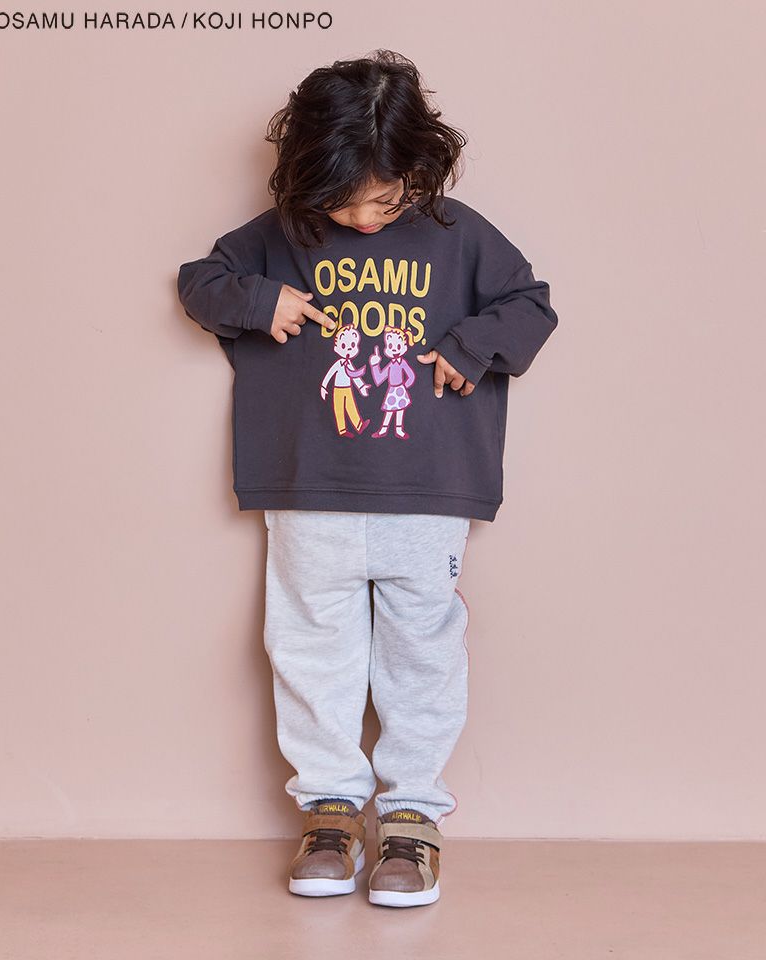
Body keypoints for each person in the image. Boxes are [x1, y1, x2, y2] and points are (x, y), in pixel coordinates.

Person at [176, 49, 559, 908]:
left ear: (421, 169)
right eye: (341, 201)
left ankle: (413, 817)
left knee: (423, 654)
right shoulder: (279, 233)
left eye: (384, 200)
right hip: (306, 487)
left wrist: (471, 345)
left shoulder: (461, 234)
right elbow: (201, 283)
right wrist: (258, 302)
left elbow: (531, 305)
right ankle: (330, 811)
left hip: (429, 489)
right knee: (310, 651)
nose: (360, 218)